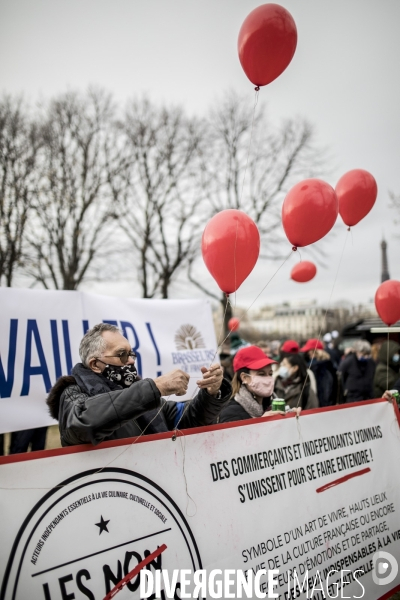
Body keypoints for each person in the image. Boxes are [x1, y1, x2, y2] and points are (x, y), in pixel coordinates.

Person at [47, 323, 231, 447]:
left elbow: (188, 420)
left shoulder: (143, 396)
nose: (131, 362)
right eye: (122, 355)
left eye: (131, 354)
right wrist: (155, 387)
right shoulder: (73, 393)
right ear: (95, 364)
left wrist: (211, 393)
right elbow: (83, 424)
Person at [217, 346, 299, 423]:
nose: (268, 380)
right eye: (261, 374)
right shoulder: (230, 413)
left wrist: (292, 418)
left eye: (270, 374)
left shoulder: (271, 403)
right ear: (245, 377)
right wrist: (260, 424)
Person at [301, 338, 338, 406]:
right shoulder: (329, 364)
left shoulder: (317, 367)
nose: (308, 355)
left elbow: (324, 391)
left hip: (321, 406)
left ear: (314, 352)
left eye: (309, 353)